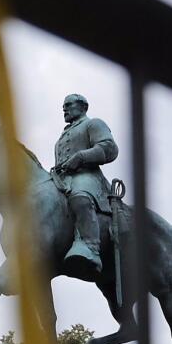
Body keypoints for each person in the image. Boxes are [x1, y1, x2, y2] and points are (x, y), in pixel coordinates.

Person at [51, 93, 119, 277]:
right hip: (63, 179)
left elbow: (109, 148)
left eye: (69, 105)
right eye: (63, 106)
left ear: (83, 107)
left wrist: (81, 157)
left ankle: (91, 246)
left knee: (79, 197)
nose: (64, 109)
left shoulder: (93, 124)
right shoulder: (62, 137)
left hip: (87, 176)